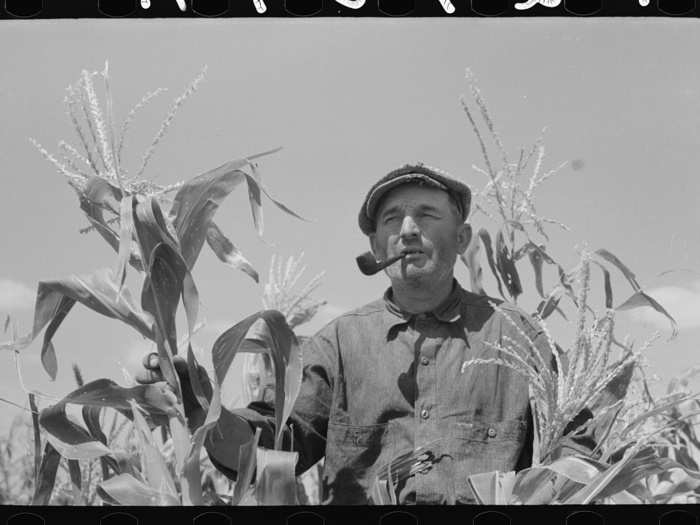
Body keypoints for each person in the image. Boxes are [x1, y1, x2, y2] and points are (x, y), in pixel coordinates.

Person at [137, 163, 591, 504]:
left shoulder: (519, 337)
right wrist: (203, 405)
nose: (408, 229)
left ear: (463, 237)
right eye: (392, 219)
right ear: (375, 247)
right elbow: (264, 452)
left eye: (427, 215)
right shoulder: (336, 345)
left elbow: (577, 454)